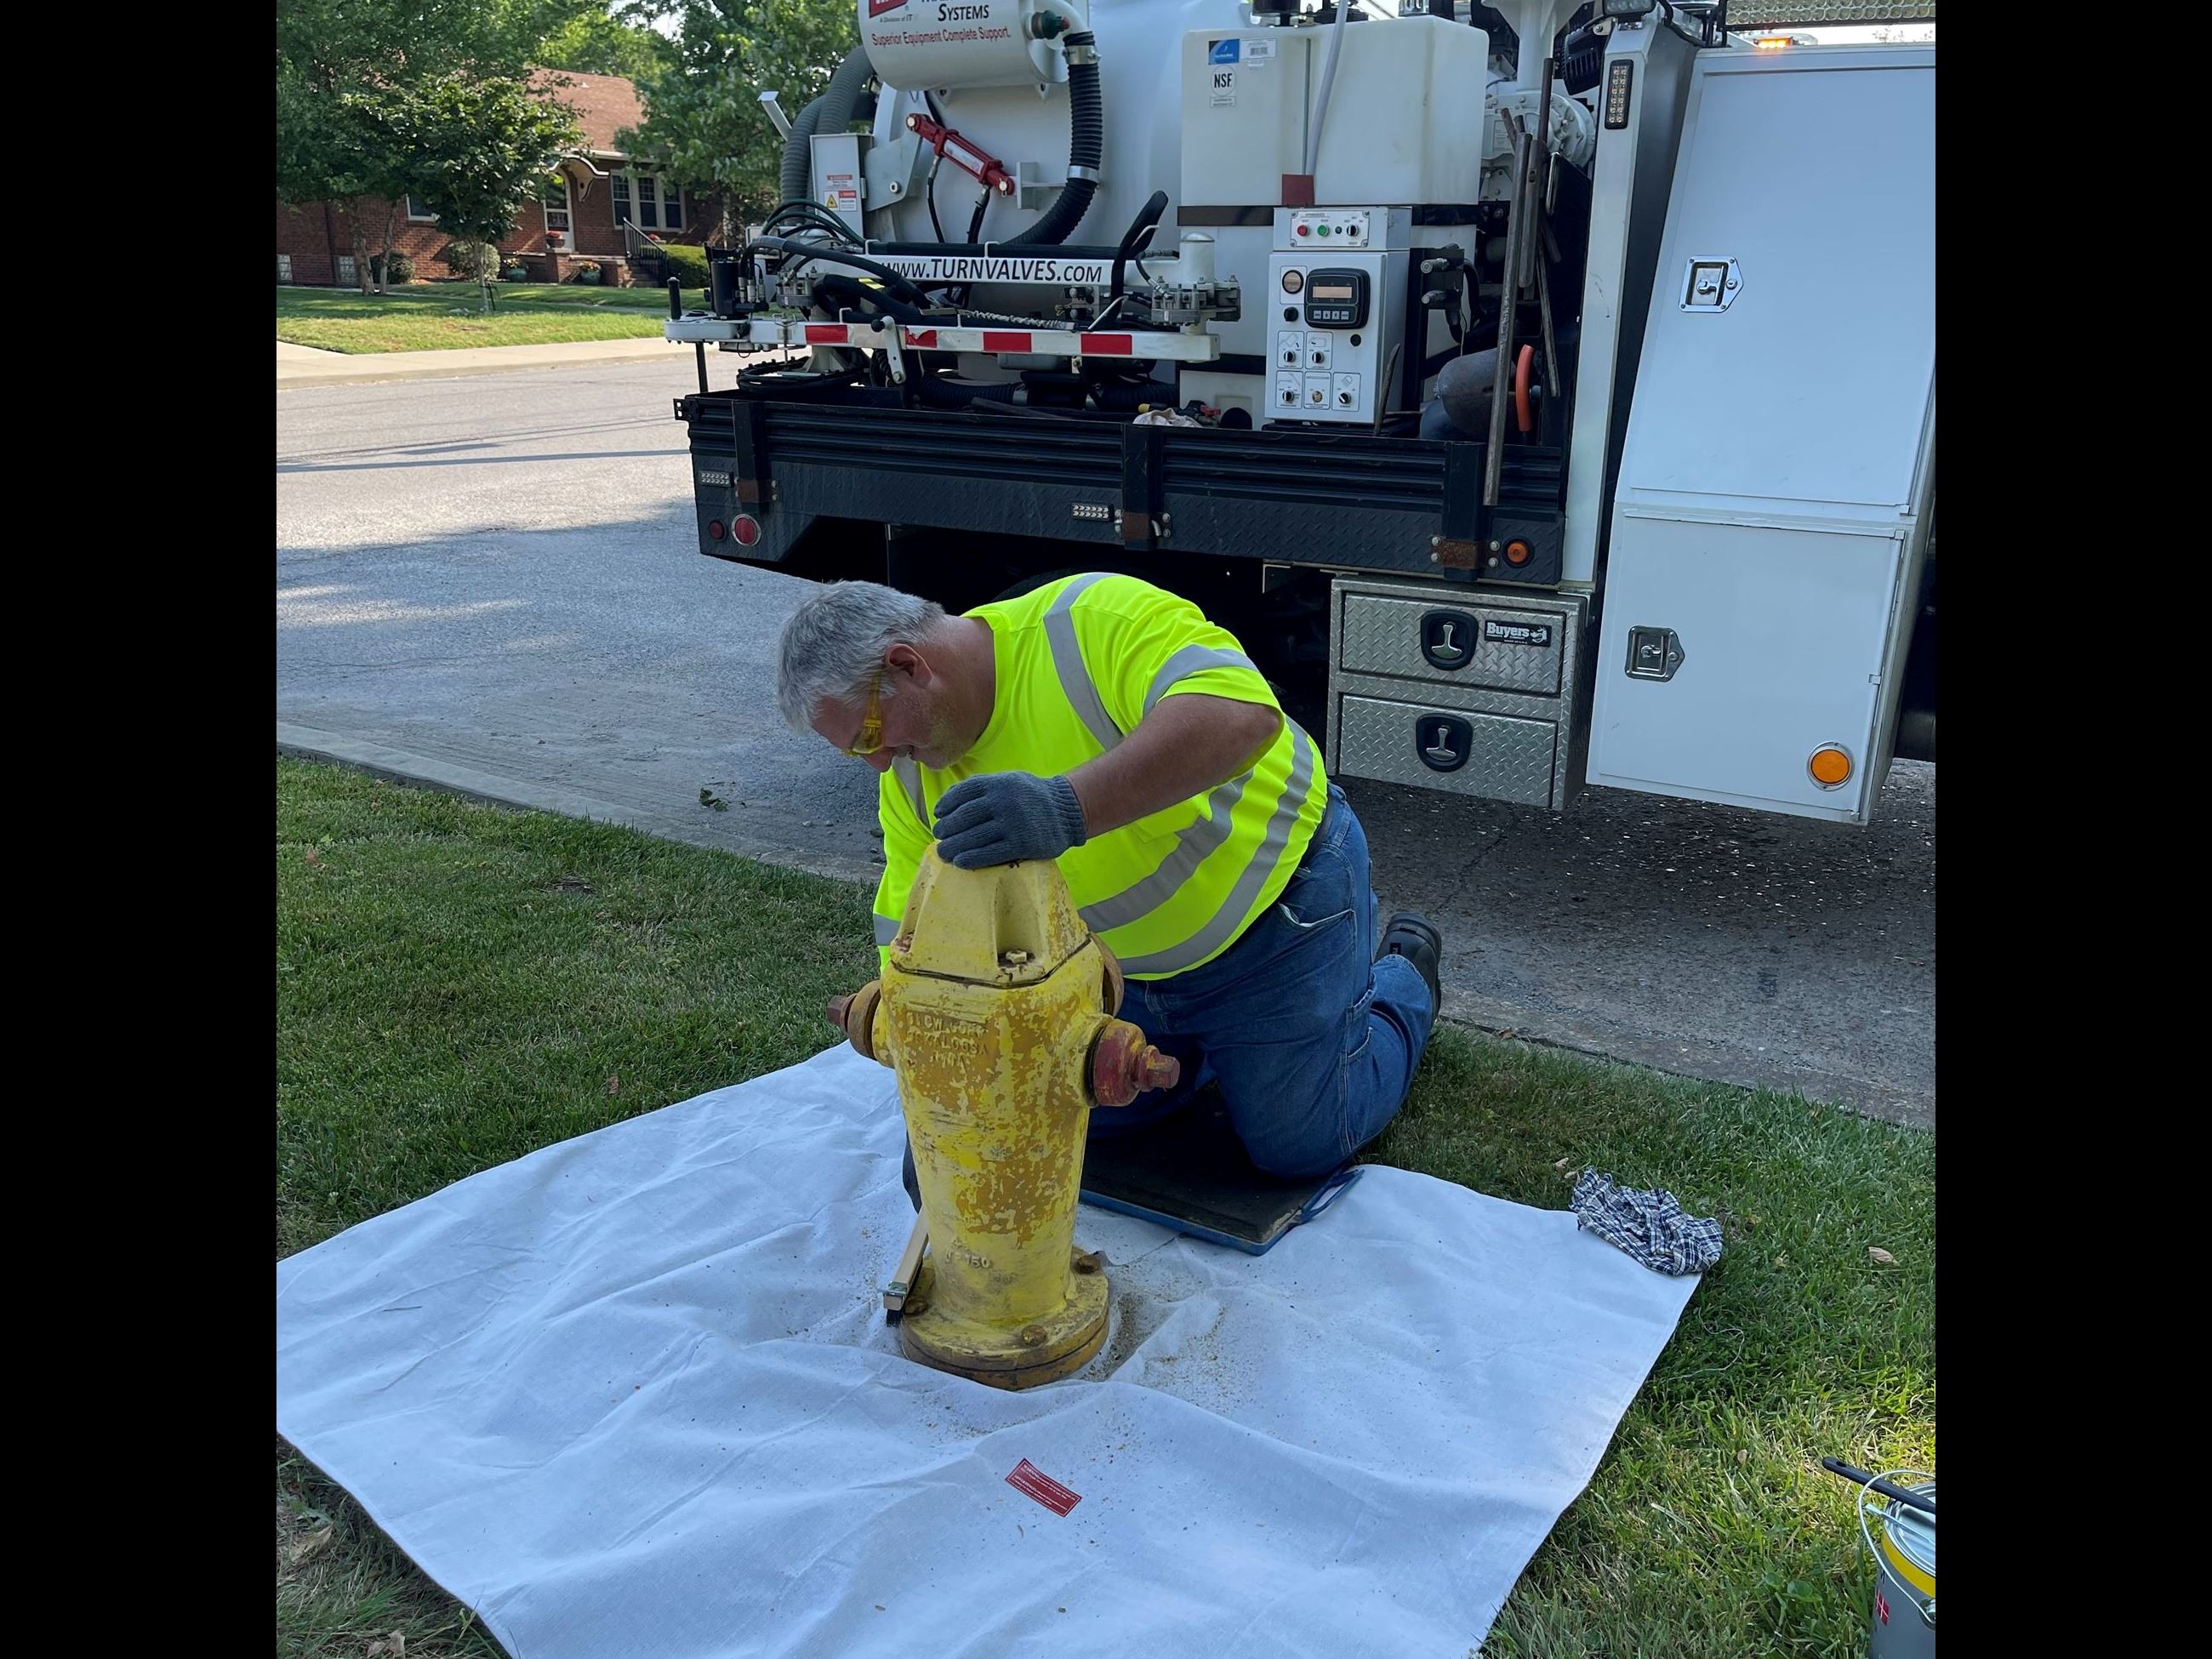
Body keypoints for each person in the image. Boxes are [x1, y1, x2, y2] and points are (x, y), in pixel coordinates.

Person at [775, 573, 1441, 1195]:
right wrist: (943, 1094)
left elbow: (1243, 716)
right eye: (855, 752)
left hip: (1280, 918)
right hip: (1125, 974)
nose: (878, 764)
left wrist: (1068, 808)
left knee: (1298, 1145)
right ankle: (1221, 1051)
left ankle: (1403, 977)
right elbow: (911, 942)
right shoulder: (913, 778)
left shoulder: (1089, 625)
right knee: (1068, 1118)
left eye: (869, 736)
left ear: (907, 665)